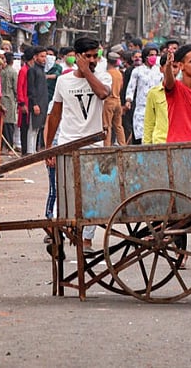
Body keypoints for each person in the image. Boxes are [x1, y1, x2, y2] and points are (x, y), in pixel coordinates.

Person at [44, 37, 112, 247]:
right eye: (88, 56)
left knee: (93, 194)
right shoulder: (64, 81)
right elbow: (55, 115)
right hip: (67, 143)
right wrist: (49, 148)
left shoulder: (103, 78)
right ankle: (60, 233)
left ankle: (87, 239)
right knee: (65, 193)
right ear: (78, 55)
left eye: (95, 56)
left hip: (93, 145)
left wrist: (87, 71)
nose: (93, 60)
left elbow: (102, 94)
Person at [124, 46, 162, 144]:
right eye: (151, 55)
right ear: (145, 57)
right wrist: (128, 100)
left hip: (157, 107)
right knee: (140, 134)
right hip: (141, 107)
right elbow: (131, 86)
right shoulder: (137, 71)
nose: (153, 57)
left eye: (155, 55)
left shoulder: (159, 71)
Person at [141, 54, 170, 145]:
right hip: (160, 142)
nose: (171, 70)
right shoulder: (154, 93)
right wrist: (146, 146)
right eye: (168, 67)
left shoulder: (185, 92)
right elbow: (149, 122)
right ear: (161, 69)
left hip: (181, 142)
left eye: (175, 66)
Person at [26, 47, 49, 153]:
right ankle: (30, 152)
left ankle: (34, 150)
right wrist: (34, 103)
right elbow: (31, 89)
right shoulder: (32, 70)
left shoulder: (42, 70)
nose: (44, 59)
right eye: (42, 56)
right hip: (36, 104)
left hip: (43, 103)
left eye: (45, 56)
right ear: (35, 57)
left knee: (38, 129)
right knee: (32, 129)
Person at [102, 52, 126, 146]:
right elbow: (121, 87)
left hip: (109, 101)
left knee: (107, 126)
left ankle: (107, 146)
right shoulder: (119, 74)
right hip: (118, 100)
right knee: (118, 125)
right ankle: (123, 144)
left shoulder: (107, 74)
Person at [0, 52, 18, 153]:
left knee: (2, 124)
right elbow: (15, 88)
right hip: (10, 99)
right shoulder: (13, 72)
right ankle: (9, 146)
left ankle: (1, 146)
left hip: (2, 98)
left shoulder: (1, 72)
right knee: (9, 124)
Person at [17, 47, 33, 155]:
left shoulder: (32, 70)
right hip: (25, 103)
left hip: (31, 102)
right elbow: (20, 87)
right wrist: (22, 103)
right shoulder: (23, 70)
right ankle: (24, 150)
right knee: (24, 127)